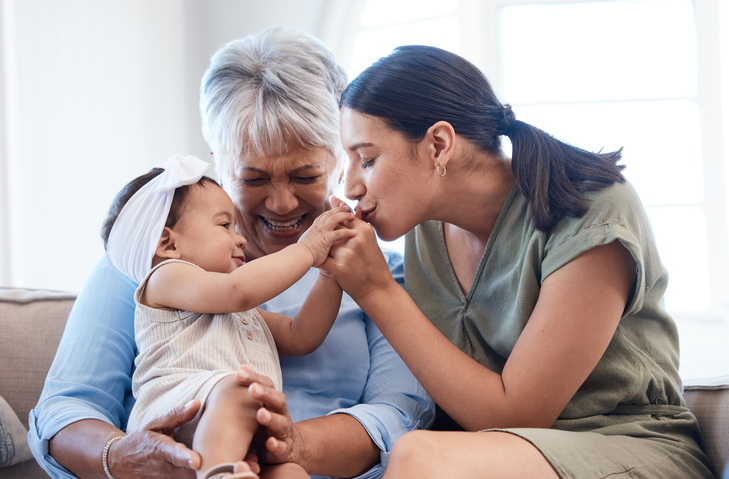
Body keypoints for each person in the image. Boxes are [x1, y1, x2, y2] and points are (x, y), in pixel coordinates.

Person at [28, 28, 434, 479]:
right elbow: (66, 408)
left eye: (304, 176)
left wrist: (292, 446)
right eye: (254, 178)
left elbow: (399, 415)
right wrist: (120, 456)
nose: (281, 203)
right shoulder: (146, 264)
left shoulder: (386, 278)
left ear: (339, 159)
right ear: (219, 160)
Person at [319, 45, 715, 478]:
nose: (350, 185)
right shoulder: (424, 231)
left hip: (627, 445)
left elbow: (519, 414)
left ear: (438, 145)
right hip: (497, 456)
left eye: (368, 159)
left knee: (418, 457)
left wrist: (377, 290)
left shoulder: (592, 210)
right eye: (348, 163)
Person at [102, 154, 356, 479]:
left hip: (233, 435)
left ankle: (222, 469)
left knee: (290, 471)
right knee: (243, 390)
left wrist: (330, 274)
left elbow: (299, 335)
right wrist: (308, 249)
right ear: (168, 243)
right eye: (225, 225)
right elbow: (238, 291)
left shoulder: (240, 314)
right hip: (177, 417)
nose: (240, 239)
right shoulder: (165, 278)